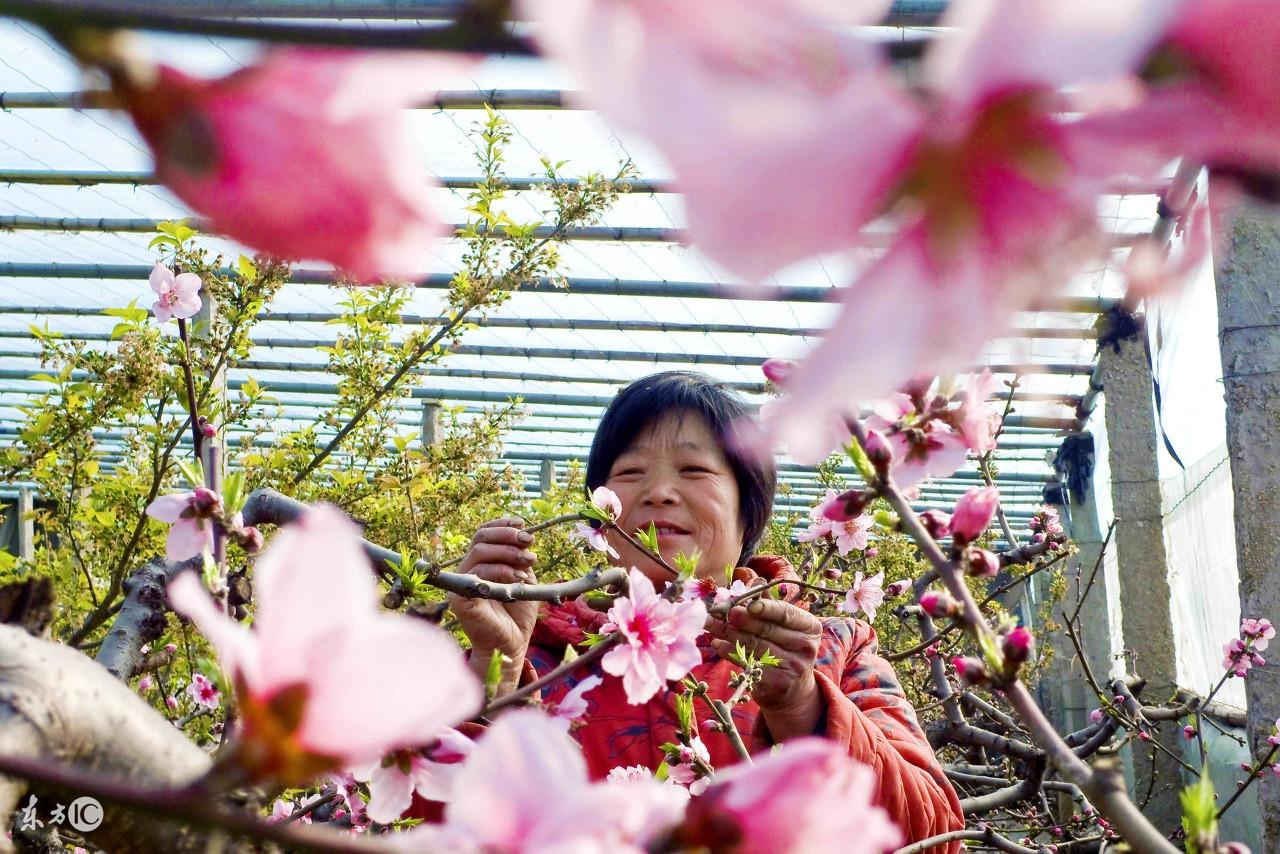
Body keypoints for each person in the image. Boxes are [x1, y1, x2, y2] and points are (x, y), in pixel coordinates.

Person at [449, 372, 964, 849]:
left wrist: (802, 708)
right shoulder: (540, 659)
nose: (658, 492)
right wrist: (497, 675)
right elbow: (419, 827)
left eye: (694, 469)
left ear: (749, 510)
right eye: (630, 472)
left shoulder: (834, 649)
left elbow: (934, 837)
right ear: (599, 515)